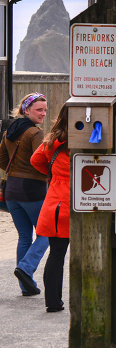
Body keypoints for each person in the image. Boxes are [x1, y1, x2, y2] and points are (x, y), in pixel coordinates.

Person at [0, 93, 49, 296]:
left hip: (11, 189)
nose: (43, 114)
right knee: (47, 233)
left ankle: (25, 286)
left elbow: (1, 159)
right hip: (32, 189)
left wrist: (16, 171)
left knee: (24, 237)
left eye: (45, 110)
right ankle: (26, 268)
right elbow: (42, 161)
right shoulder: (35, 133)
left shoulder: (10, 131)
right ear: (26, 110)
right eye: (39, 110)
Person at [32, 105, 70, 313]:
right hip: (79, 202)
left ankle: (53, 301)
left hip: (55, 203)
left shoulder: (52, 141)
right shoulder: (89, 139)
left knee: (56, 255)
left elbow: (35, 160)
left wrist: (52, 174)